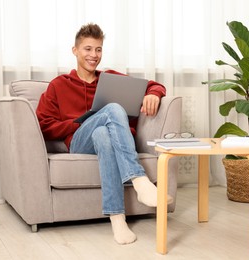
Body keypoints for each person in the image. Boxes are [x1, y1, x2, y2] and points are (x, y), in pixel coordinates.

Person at [36, 23, 170, 245]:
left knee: (102, 135)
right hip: (78, 140)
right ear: (75, 50)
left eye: (98, 49)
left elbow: (154, 85)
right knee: (114, 109)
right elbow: (44, 124)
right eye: (88, 49)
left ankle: (118, 219)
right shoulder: (59, 85)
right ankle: (139, 180)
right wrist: (79, 123)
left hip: (101, 139)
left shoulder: (110, 78)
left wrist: (154, 94)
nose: (94, 55)